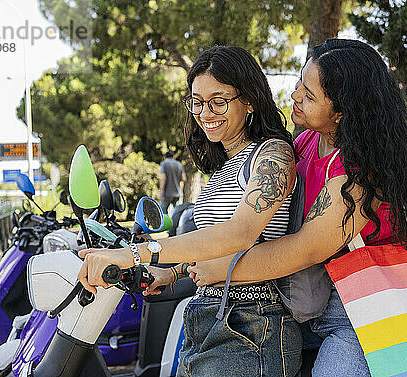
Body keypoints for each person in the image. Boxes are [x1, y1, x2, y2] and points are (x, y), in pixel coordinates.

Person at [184, 39, 407, 376]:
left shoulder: (361, 173)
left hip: (365, 313)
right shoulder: (307, 141)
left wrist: (225, 270)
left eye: (309, 96)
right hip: (310, 303)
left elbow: (303, 249)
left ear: (342, 111)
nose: (295, 96)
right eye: (299, 83)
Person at [77, 46, 302, 377]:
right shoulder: (222, 168)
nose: (205, 112)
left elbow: (241, 233)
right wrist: (172, 273)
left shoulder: (272, 155)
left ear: (250, 100)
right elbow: (214, 246)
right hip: (205, 314)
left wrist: (134, 255)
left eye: (218, 100)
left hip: (254, 322)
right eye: (197, 101)